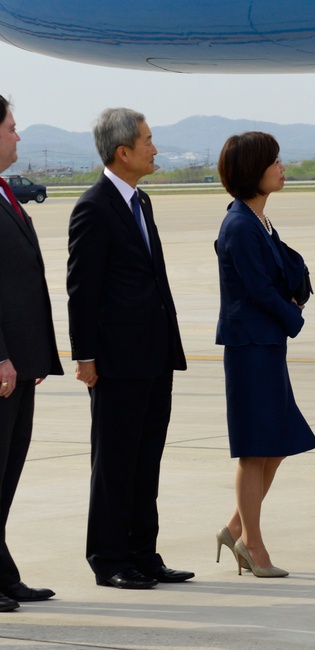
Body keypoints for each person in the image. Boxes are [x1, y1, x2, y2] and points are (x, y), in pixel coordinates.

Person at [67, 108, 193, 590]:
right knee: (115, 463)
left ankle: (143, 553)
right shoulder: (94, 207)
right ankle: (109, 558)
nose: (155, 148)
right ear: (123, 152)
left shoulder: (141, 203)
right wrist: (86, 356)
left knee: (146, 460)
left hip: (155, 354)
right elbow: (82, 288)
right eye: (148, 141)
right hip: (117, 360)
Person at [214, 132, 315, 578]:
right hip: (250, 346)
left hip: (266, 344)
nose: (281, 166)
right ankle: (251, 545)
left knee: (275, 443)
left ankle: (236, 527)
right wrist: (293, 317)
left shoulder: (259, 220)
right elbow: (257, 289)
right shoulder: (239, 224)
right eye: (273, 161)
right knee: (256, 449)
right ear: (252, 171)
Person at [0, 95, 63, 610]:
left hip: (21, 362)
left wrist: (32, 353)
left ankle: (1, 571)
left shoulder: (4, 192)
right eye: (12, 128)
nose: (18, 137)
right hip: (2, 364)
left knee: (8, 470)